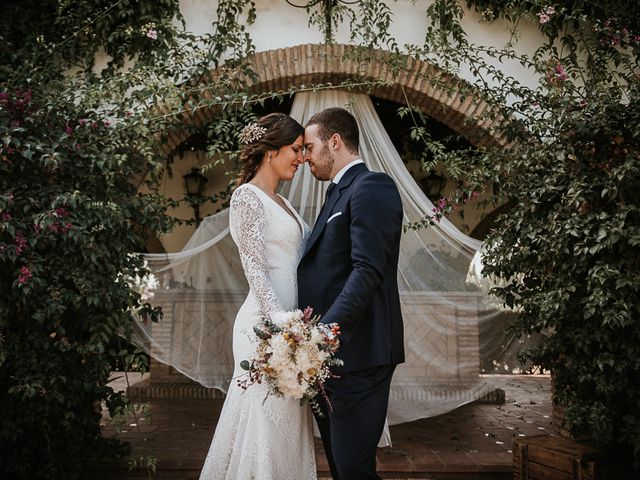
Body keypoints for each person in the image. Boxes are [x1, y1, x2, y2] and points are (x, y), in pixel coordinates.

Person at [199, 112, 316, 479]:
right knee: (264, 423)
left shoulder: (285, 204)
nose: (301, 158)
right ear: (271, 151)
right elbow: (255, 266)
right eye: (295, 149)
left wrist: (298, 326)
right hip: (264, 328)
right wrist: (279, 319)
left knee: (288, 425)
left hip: (292, 329)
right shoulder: (247, 197)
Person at [298, 107, 405, 479]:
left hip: (358, 353)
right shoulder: (335, 193)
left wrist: (326, 333)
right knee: (344, 469)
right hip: (334, 358)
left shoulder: (372, 187)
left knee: (353, 469)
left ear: (335, 142)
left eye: (310, 148)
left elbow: (367, 270)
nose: (305, 157)